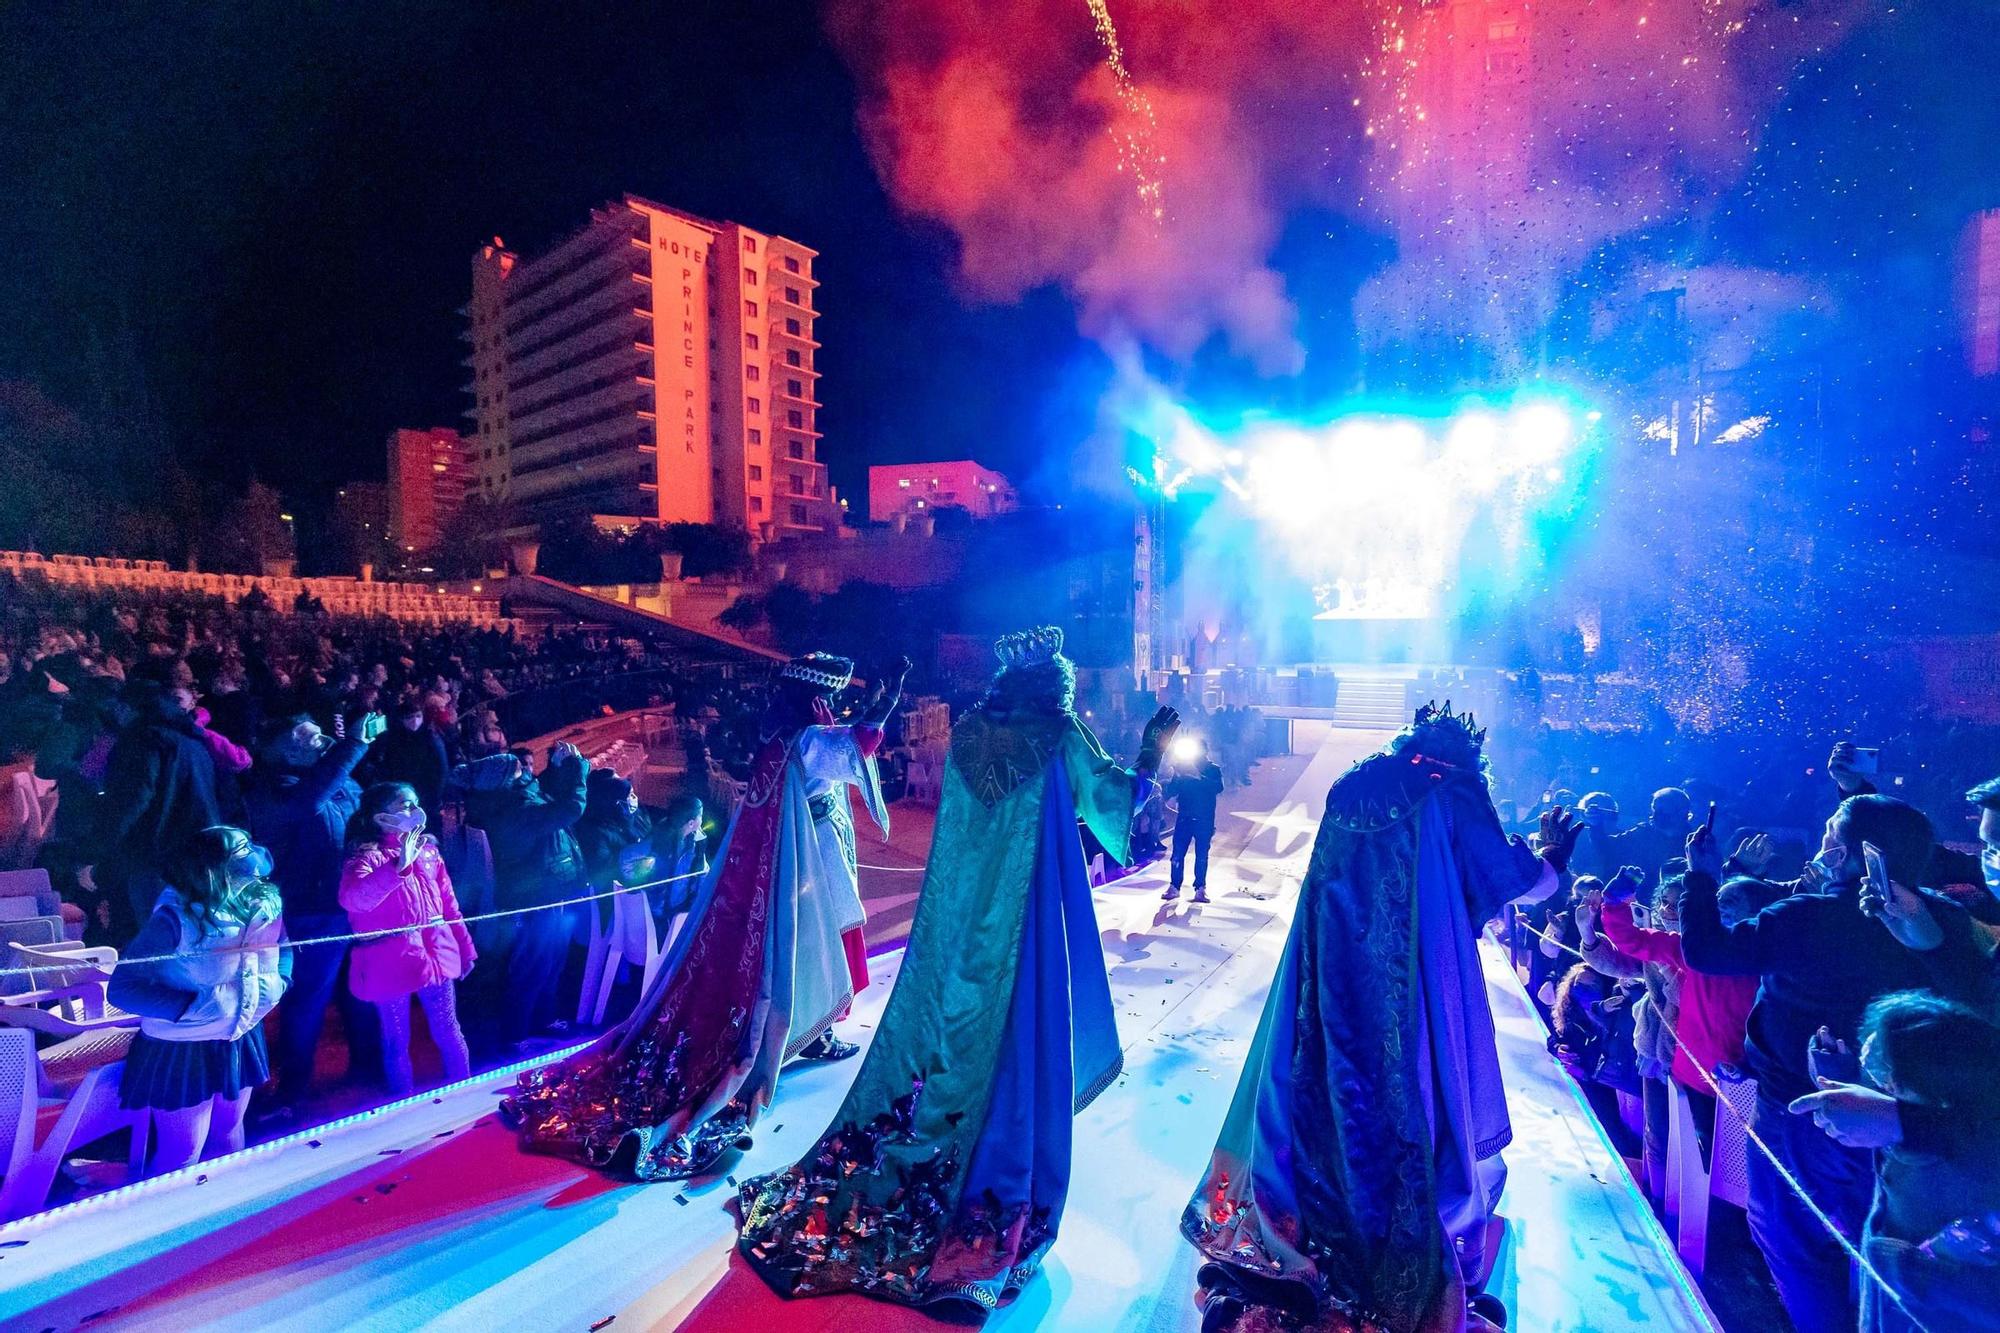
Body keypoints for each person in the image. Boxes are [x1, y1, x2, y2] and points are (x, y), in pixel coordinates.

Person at [737, 627, 1179, 1315]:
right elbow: (1116, 800)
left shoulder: (970, 731)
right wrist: (1151, 756)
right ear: (1054, 681)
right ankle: (990, 1193)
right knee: (1020, 1044)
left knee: (958, 1036)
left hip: (965, 923)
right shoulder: (1059, 734)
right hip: (1026, 925)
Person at [1181, 705, 1579, 1333]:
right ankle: (1388, 1260)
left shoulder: (1351, 782)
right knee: (1413, 1106)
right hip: (1411, 991)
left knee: (1314, 1097)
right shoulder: (1453, 790)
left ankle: (1301, 1238)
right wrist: (1552, 860)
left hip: (1328, 979)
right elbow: (1505, 878)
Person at [499, 652, 878, 1177]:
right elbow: (853, 751)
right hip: (803, 861)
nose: (833, 705)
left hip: (799, 856)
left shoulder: (779, 737)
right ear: (814, 697)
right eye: (830, 697)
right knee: (809, 952)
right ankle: (807, 1034)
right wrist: (884, 706)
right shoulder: (806, 739)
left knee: (810, 953)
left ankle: (813, 1033)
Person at [1679, 794, 1972, 1333]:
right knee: (1878, 1245)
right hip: (1908, 1120)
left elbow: (1707, 953)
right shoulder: (1937, 921)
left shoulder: (1803, 917)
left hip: (1801, 1110)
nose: (1822, 841)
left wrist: (1700, 878)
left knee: (1792, 1239)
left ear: (1847, 854)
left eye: (1830, 832)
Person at [1793, 991, 2000, 1332]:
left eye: (1888, 1079)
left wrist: (1909, 1268)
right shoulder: (1919, 1138)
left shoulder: (1972, 1173)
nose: (1880, 1089)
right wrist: (1843, 1079)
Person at [107, 826, 289, 1175]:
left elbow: (283, 945)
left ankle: (226, 1216)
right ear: (212, 866)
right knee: (183, 1152)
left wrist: (281, 980)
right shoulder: (175, 918)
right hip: (184, 1048)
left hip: (240, 1034)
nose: (254, 855)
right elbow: (123, 987)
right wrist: (188, 1008)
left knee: (229, 1136)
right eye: (241, 850)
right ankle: (168, 1223)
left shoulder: (261, 901)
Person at [247, 710, 382, 1111]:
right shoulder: (273, 787)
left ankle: (367, 1064)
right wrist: (352, 745)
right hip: (310, 908)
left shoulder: (333, 781)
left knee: (361, 989)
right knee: (308, 999)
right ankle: (293, 1088)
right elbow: (306, 805)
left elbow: (357, 811)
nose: (323, 743)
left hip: (351, 903)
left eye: (325, 737)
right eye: (311, 738)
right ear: (283, 745)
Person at [337, 782, 475, 1097]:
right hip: (389, 962)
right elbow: (354, 900)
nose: (414, 811)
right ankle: (405, 1101)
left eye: (415, 803)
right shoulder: (366, 858)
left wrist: (465, 949)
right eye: (405, 806)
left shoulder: (429, 852)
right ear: (380, 816)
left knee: (449, 1029)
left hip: (436, 956)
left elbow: (449, 904)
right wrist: (397, 868)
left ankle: (465, 1093)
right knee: (396, 1038)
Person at [459, 742, 589, 1052]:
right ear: (506, 779)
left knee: (551, 962)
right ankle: (516, 1033)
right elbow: (569, 808)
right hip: (537, 895)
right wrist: (576, 769)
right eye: (516, 768)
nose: (523, 768)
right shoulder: (513, 810)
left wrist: (556, 767)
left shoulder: (511, 798)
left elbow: (538, 790)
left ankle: (543, 1017)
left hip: (549, 889)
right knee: (532, 965)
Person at [99, 662, 223, 938]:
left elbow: (130, 802)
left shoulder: (144, 739)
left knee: (161, 945)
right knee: (192, 942)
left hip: (157, 862)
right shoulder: (189, 737)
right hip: (200, 858)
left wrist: (99, 855)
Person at [367, 695, 450, 824]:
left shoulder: (431, 738)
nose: (414, 721)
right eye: (409, 717)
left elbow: (442, 770)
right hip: (402, 792)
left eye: (418, 716)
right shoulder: (394, 737)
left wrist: (435, 797)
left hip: (426, 793)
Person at [1162, 735, 1224, 904]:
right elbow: (1172, 791)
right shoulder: (1183, 769)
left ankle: (1200, 888)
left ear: (1205, 751)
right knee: (1177, 854)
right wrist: (1176, 776)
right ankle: (1174, 886)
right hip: (1185, 817)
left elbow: (1218, 787)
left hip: (1204, 817)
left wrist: (1198, 777)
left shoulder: (1213, 769)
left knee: (1202, 854)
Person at [1609, 786, 1693, 884]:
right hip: (1641, 896)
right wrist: (1596, 827)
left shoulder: (1695, 842)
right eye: (1654, 809)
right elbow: (1610, 847)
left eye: (1662, 810)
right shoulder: (1642, 834)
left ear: (1681, 811)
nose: (1655, 814)